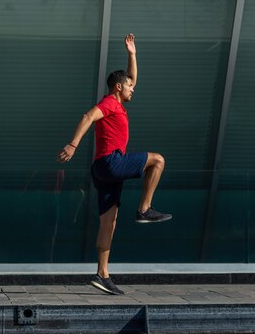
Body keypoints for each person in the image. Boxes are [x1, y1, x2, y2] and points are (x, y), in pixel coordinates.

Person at [57, 33, 171, 295]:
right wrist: (73, 144)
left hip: (102, 170)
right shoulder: (109, 103)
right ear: (119, 87)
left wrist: (132, 54)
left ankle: (102, 274)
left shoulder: (119, 102)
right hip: (111, 162)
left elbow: (132, 79)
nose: (134, 88)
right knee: (158, 160)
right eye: (129, 86)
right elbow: (88, 116)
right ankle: (144, 208)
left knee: (109, 222)